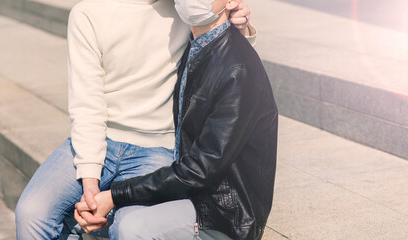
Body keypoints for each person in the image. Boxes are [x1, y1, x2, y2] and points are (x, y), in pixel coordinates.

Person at [14, 0, 256, 238]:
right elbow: (86, 104)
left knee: (128, 227)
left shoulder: (183, 9)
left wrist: (241, 27)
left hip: (158, 147)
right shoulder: (87, 13)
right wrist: (89, 183)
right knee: (31, 214)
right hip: (102, 137)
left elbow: (218, 46)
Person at [74, 0, 278, 239]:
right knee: (88, 218)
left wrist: (114, 195)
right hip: (194, 191)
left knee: (131, 229)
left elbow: (200, 169)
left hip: (223, 213)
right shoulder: (196, 46)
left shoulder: (237, 70)